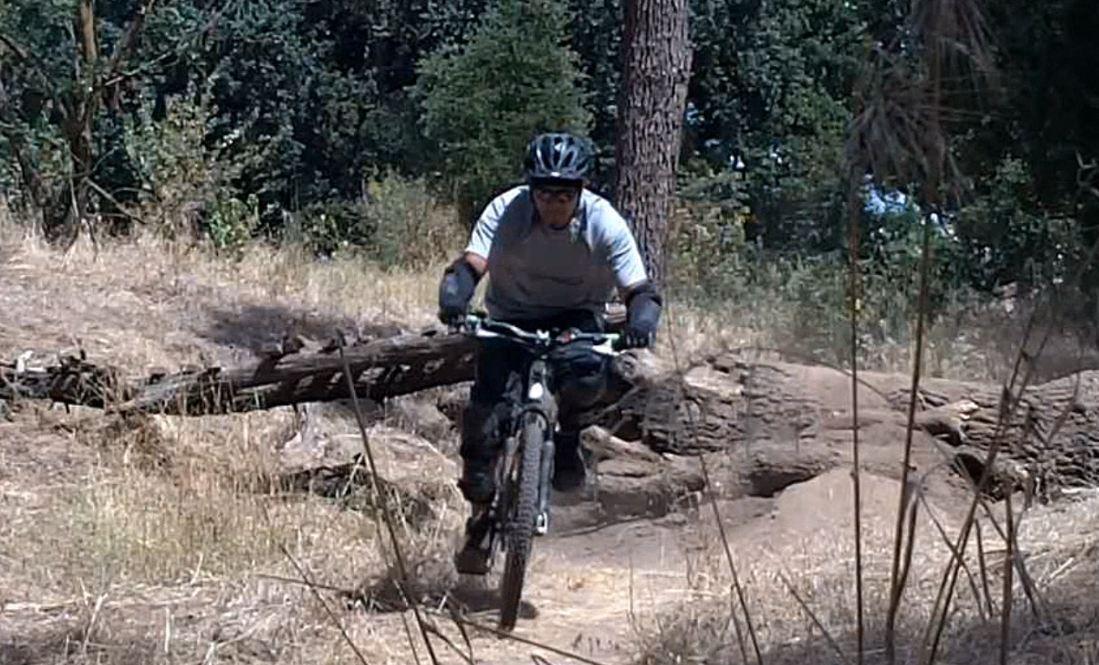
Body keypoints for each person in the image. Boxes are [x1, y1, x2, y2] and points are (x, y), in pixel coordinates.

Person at [436, 131, 662, 570]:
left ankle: (568, 438)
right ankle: (480, 519)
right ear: (531, 189)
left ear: (580, 191)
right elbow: (470, 265)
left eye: (563, 194)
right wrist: (454, 297)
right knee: (483, 423)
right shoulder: (505, 211)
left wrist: (640, 324)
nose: (553, 203)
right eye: (544, 193)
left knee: (586, 378)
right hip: (509, 316)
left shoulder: (604, 221)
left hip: (576, 318)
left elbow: (640, 290)